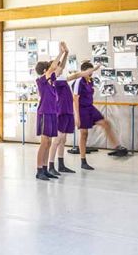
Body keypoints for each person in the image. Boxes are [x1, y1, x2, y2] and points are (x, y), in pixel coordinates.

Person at [69, 61, 129, 169]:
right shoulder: (78, 81)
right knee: (84, 134)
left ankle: (117, 147)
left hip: (90, 108)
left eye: (92, 72)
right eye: (89, 72)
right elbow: (75, 99)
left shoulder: (90, 81)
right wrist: (77, 116)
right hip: (81, 109)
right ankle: (83, 161)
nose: (91, 74)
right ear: (84, 71)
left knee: (105, 123)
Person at [35, 42, 67, 181]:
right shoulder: (42, 80)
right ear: (44, 71)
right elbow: (54, 67)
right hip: (44, 113)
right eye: (49, 69)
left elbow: (60, 67)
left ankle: (45, 168)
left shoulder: (52, 81)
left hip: (52, 113)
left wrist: (66, 53)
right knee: (44, 142)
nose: (53, 71)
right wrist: (60, 52)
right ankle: (38, 170)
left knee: (48, 142)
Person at [49, 65, 76, 175]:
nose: (61, 69)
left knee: (63, 139)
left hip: (68, 112)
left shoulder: (63, 80)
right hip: (60, 112)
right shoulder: (56, 81)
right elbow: (76, 75)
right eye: (59, 68)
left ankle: (61, 164)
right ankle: (51, 165)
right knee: (57, 139)